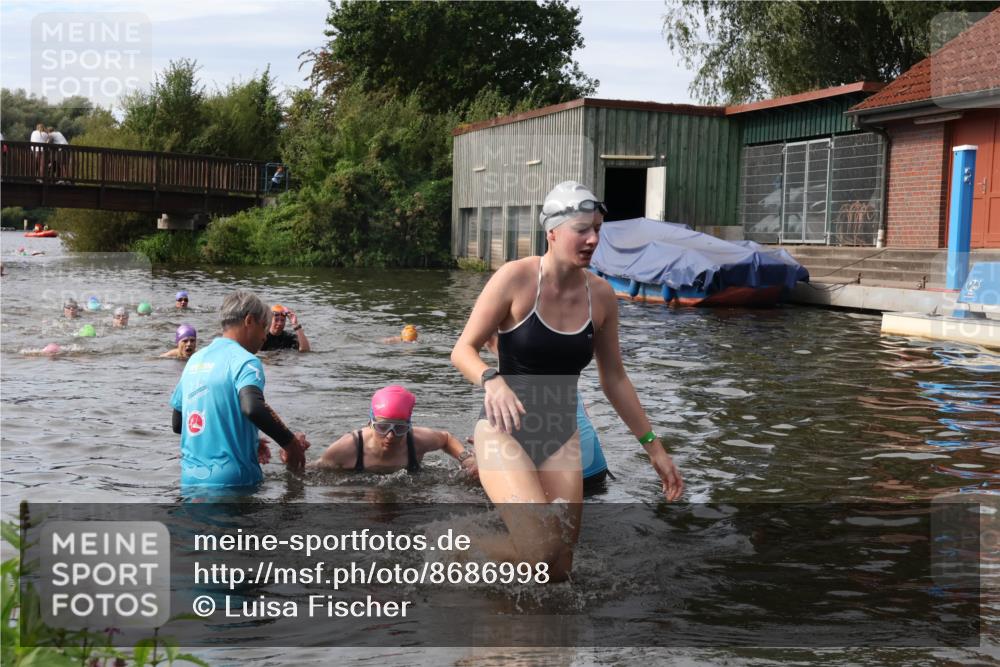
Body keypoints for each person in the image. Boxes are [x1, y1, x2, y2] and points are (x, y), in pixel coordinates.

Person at [450, 180, 683, 581]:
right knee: (539, 550)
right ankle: (458, 548)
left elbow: (615, 380)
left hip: (561, 436)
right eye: (582, 230)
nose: (593, 239)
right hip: (506, 433)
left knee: (560, 568)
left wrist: (654, 449)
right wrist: (492, 380)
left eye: (597, 229)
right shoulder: (515, 278)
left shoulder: (602, 296)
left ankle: (543, 640)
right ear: (552, 232)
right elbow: (462, 350)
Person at [170, 290, 310, 488]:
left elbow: (178, 424)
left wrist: (244, 437)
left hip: (191, 480)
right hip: (235, 482)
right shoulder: (246, 361)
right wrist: (291, 445)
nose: (264, 337)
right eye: (263, 327)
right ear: (249, 321)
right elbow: (253, 408)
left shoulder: (195, 360)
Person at [308, 385, 478, 477]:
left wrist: (468, 460)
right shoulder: (347, 448)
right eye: (383, 427)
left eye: (400, 428)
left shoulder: (416, 440)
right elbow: (311, 471)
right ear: (370, 423)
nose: (390, 435)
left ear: (409, 426)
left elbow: (446, 439)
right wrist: (293, 459)